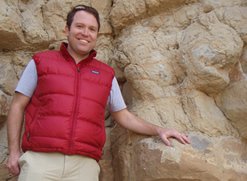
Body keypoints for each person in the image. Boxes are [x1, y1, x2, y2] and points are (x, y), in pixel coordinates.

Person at [6, 4, 190, 181]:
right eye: (79, 26)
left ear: (97, 35)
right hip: (40, 160)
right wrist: (14, 152)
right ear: (66, 30)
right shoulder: (41, 62)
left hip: (83, 167)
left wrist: (159, 130)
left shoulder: (106, 74)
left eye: (92, 29)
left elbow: (124, 116)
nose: (85, 33)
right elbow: (17, 105)